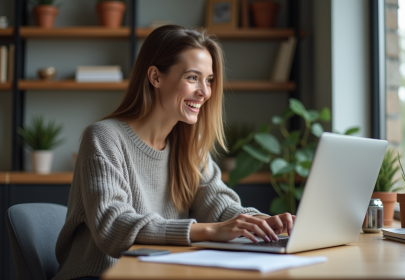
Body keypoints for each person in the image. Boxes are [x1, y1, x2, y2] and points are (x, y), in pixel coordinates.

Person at [53, 25, 295, 280]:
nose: (205, 92)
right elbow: (113, 227)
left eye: (209, 80)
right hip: (100, 274)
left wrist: (267, 223)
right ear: (155, 77)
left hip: (161, 272)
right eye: (192, 78)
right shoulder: (104, 137)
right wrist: (210, 231)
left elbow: (219, 206)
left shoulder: (190, 143)